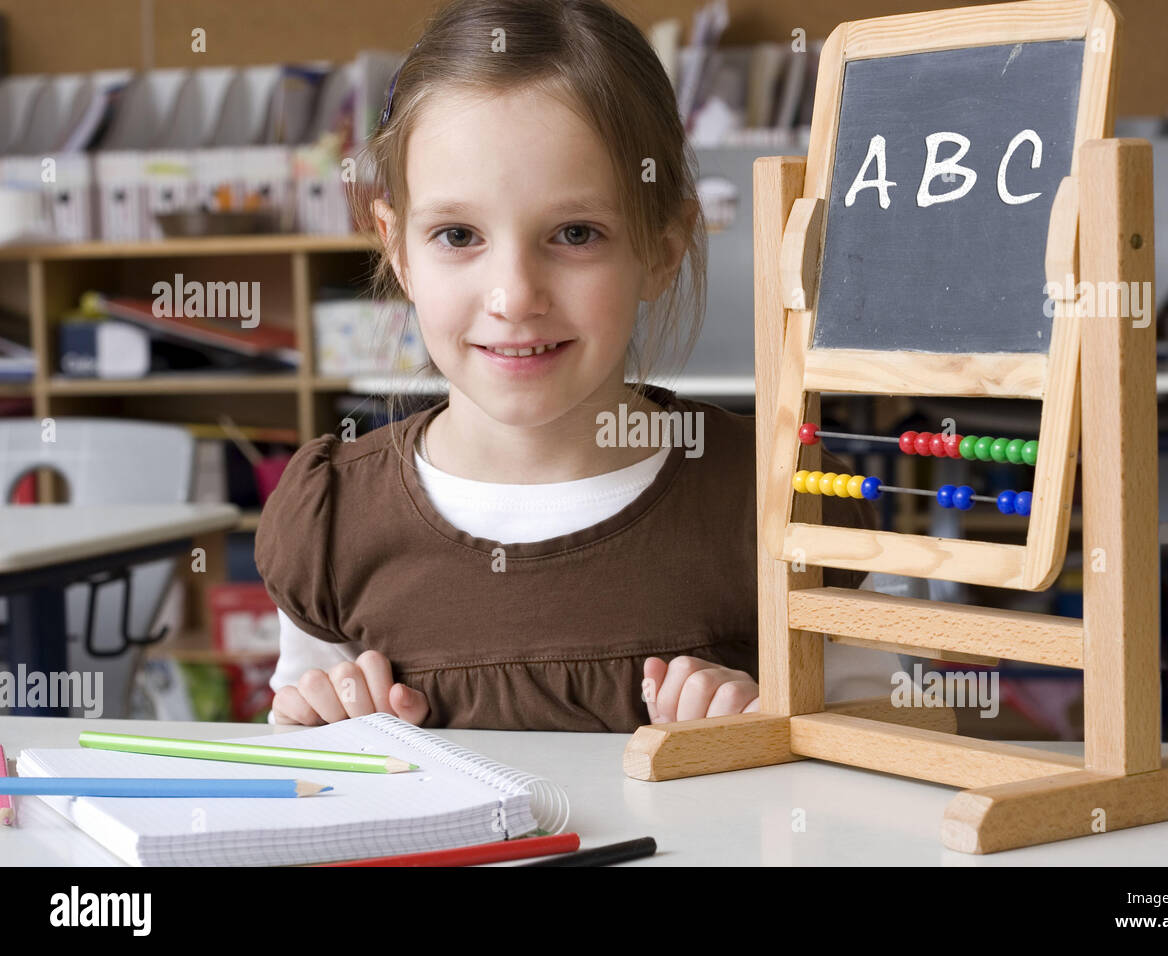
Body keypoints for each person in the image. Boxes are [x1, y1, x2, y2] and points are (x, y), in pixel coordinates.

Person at [255, 0, 877, 732]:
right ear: (396, 245)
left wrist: (776, 731)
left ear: (663, 247)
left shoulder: (775, 500)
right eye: (457, 234)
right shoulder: (334, 524)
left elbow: (881, 747)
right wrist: (323, 734)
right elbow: (300, 750)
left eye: (575, 233)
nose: (514, 296)